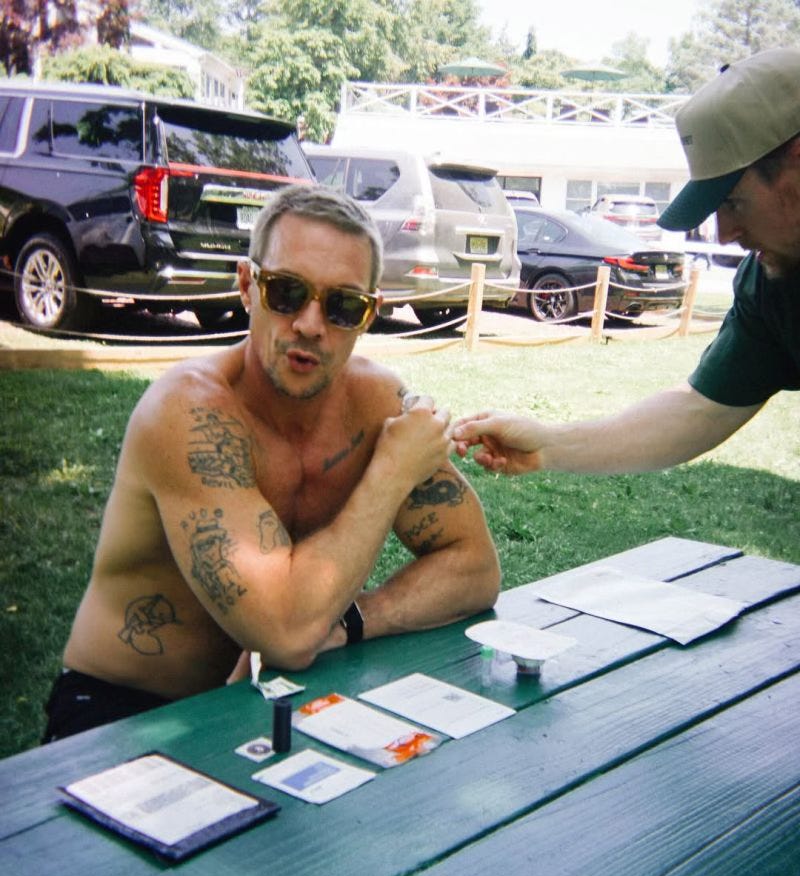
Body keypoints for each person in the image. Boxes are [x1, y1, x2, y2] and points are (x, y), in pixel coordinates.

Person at [44, 185, 500, 741]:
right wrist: (391, 473)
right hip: (120, 712)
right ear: (247, 286)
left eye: (342, 305)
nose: (310, 324)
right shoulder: (187, 413)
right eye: (286, 292)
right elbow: (286, 633)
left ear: (369, 316)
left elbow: (475, 569)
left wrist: (352, 621)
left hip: (248, 706)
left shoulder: (375, 405)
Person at [454, 46, 800, 476]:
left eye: (733, 202)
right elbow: (702, 409)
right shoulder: (773, 281)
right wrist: (550, 445)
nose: (725, 234)